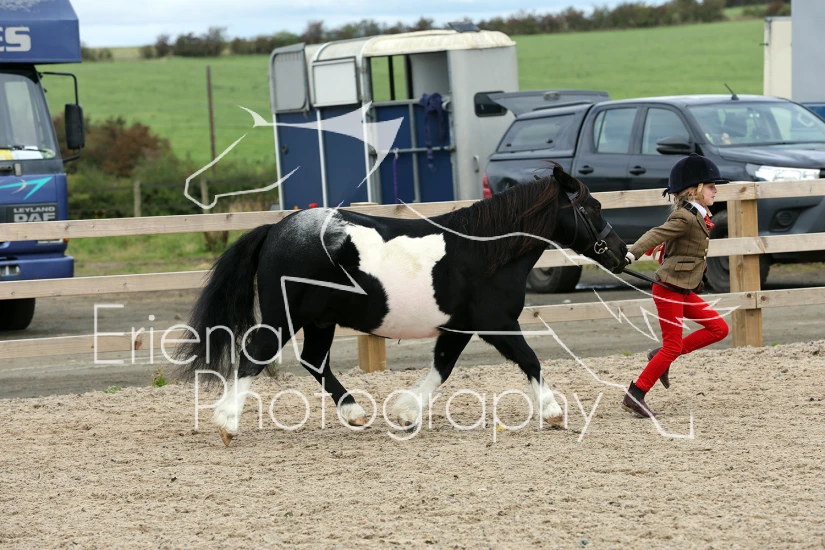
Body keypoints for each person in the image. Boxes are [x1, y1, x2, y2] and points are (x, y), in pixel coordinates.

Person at [621, 153, 730, 418]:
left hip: (683, 289)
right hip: (668, 288)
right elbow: (655, 235)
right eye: (710, 186)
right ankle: (635, 394)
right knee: (673, 345)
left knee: (719, 328)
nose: (715, 190)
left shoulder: (698, 215)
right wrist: (630, 255)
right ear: (694, 191)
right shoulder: (684, 217)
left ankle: (661, 355)